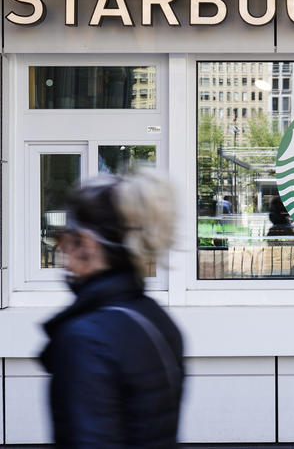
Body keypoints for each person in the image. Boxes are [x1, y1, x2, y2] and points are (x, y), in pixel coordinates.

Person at [39, 170, 184, 449]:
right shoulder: (155, 317)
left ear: (88, 244)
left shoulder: (85, 337)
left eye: (64, 239)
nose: (61, 254)